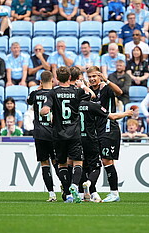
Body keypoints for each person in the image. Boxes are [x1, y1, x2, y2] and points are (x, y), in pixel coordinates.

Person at [40, 66, 93, 203]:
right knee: (77, 162)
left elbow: (45, 110)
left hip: (58, 134)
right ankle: (75, 185)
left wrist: (44, 110)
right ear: (70, 78)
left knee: (62, 164)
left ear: (57, 78)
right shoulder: (76, 91)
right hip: (74, 133)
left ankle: (69, 193)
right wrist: (83, 86)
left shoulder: (52, 93)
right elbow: (92, 95)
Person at [87, 66, 124, 202]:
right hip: (95, 129)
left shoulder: (106, 88)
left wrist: (107, 80)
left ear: (99, 76)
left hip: (109, 128)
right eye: (90, 77)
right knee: (95, 161)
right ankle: (91, 193)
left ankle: (114, 193)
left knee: (107, 160)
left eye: (94, 76)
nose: (92, 79)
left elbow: (119, 92)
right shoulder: (89, 91)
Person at [27, 70, 59, 202]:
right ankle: (67, 190)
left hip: (40, 133)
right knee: (58, 163)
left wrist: (37, 89)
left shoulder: (35, 94)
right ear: (52, 80)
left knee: (45, 164)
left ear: (40, 81)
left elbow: (29, 101)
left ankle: (51, 194)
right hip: (54, 133)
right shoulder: (56, 94)